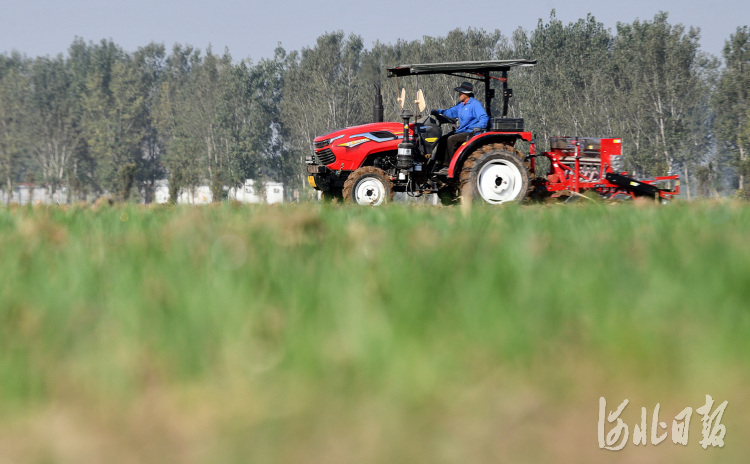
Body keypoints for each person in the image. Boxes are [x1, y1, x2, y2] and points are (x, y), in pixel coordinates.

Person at [430, 82, 489, 175]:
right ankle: (437, 163)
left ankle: (447, 166)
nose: (459, 94)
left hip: (471, 132)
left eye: (461, 92)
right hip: (461, 131)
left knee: (451, 139)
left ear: (467, 94)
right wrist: (438, 111)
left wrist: (479, 127)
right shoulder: (461, 105)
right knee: (443, 139)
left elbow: (484, 117)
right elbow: (450, 112)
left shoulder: (475, 104)